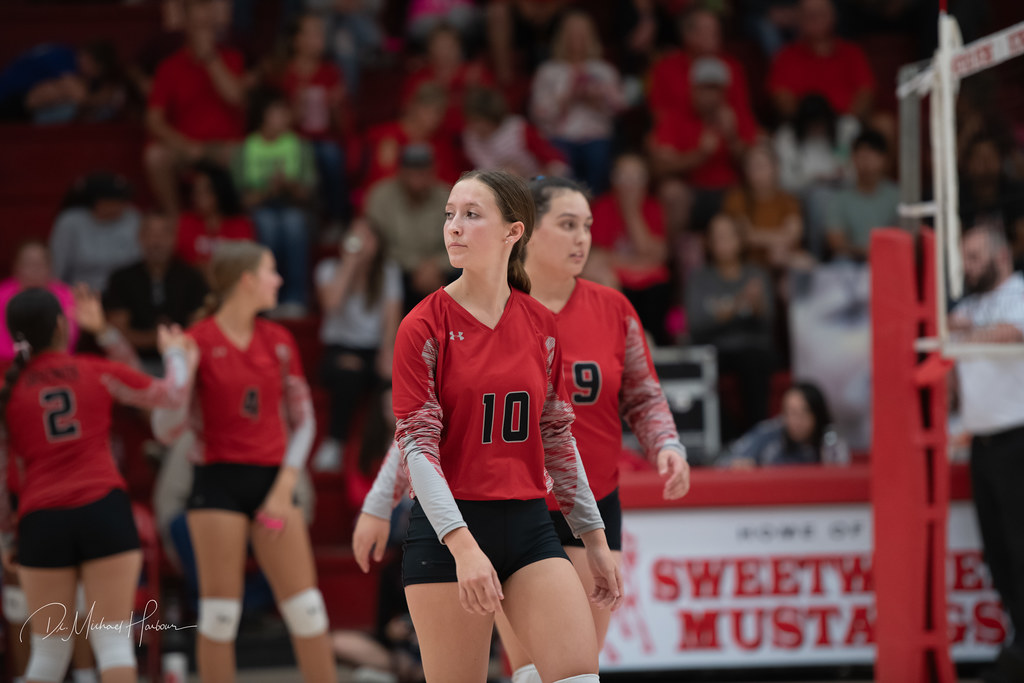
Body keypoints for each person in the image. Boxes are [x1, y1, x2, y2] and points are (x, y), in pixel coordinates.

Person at [353, 175, 689, 683]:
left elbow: (557, 434)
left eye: (471, 215)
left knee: (577, 677)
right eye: (450, 214)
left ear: (514, 232)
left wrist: (595, 538)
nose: (454, 227)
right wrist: (454, 543)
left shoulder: (543, 322)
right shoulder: (422, 325)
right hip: (452, 531)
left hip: (532, 522)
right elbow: (417, 443)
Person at [150, 240, 335, 683]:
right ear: (247, 280)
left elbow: (304, 423)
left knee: (307, 610)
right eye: (272, 271)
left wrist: (283, 488)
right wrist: (179, 367)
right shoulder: (196, 341)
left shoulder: (280, 341)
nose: (280, 280)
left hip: (273, 487)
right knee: (218, 616)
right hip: (216, 488)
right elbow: (166, 430)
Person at [0, 286, 192, 683]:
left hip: (41, 520)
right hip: (103, 510)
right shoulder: (93, 370)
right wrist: (173, 353)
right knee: (114, 644)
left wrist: (7, 535)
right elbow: (170, 396)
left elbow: (5, 474)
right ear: (60, 324)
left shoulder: (9, 391)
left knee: (49, 653)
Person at [947, 225, 1024, 683]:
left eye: (974, 257)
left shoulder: (1018, 292)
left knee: (1022, 548)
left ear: (1000, 256)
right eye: (964, 258)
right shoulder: (966, 309)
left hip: (1019, 438)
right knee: (997, 552)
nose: (967, 267)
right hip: (981, 442)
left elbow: (1013, 333)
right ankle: (1018, 643)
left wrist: (960, 332)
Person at [312, 218, 403, 472]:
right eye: (355, 237)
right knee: (347, 373)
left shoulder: (388, 272)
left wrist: (388, 352)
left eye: (368, 238)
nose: (361, 244)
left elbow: (391, 319)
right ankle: (335, 443)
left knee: (393, 380)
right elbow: (331, 304)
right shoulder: (328, 269)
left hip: (374, 348)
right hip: (338, 348)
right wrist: (350, 264)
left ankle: (393, 445)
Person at [145, 0, 246, 215]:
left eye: (207, 25)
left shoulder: (232, 58)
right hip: (187, 147)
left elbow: (236, 97)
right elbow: (154, 120)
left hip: (226, 146)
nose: (204, 31)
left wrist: (210, 58)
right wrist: (184, 145)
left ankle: (239, 221)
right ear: (186, 25)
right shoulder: (169, 66)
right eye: (198, 25)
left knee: (245, 156)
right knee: (155, 156)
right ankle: (175, 221)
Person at [686, 213, 776, 437]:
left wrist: (755, 309)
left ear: (740, 240)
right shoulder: (699, 279)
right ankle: (729, 438)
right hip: (713, 350)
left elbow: (768, 322)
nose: (723, 242)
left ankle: (757, 435)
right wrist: (739, 306)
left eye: (728, 236)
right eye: (717, 237)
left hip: (752, 348)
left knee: (755, 361)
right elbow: (696, 325)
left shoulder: (756, 274)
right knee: (697, 370)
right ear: (708, 242)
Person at [649, 56, 758, 238]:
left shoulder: (736, 116)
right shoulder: (675, 117)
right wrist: (700, 155)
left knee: (757, 186)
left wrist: (732, 138)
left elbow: (755, 163)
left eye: (716, 89)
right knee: (672, 192)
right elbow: (659, 166)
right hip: (691, 191)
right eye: (704, 88)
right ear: (693, 88)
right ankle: (670, 259)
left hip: (730, 189)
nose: (710, 96)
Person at [233, 87, 316, 317]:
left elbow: (309, 194)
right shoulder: (245, 149)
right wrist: (269, 190)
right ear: (262, 116)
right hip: (259, 208)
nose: (283, 118)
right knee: (267, 224)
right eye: (276, 113)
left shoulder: (300, 146)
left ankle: (295, 299)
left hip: (293, 206)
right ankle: (266, 298)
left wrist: (288, 185)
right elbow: (241, 199)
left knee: (293, 223)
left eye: (285, 113)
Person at [529, 11, 625, 195]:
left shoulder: (604, 70)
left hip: (597, 137)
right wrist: (567, 98)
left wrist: (597, 99)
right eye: (571, 34)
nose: (577, 39)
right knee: (558, 165)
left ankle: (594, 210)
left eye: (582, 34)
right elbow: (538, 113)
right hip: (560, 136)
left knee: (598, 158)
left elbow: (619, 108)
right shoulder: (548, 71)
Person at [103, 213, 209, 374]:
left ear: (174, 237)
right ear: (140, 237)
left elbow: (199, 330)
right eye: (150, 234)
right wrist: (162, 338)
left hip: (185, 360)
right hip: (135, 362)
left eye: (163, 234)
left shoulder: (192, 277)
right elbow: (118, 335)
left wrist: (159, 340)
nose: (157, 242)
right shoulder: (121, 279)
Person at [277, 13, 350, 232]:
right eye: (313, 33)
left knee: (330, 154)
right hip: (292, 141)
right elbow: (271, 124)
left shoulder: (331, 73)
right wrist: (293, 112)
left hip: (324, 141)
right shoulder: (283, 74)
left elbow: (344, 127)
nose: (320, 38)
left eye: (321, 33)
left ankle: (337, 221)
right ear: (296, 40)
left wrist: (336, 106)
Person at [588, 153, 672, 344]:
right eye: (624, 177)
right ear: (614, 180)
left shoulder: (652, 207)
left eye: (636, 177)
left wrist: (632, 213)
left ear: (646, 181)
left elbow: (658, 257)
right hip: (615, 281)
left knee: (659, 288)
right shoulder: (602, 207)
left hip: (648, 284)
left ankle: (651, 343)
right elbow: (597, 258)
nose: (630, 184)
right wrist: (641, 263)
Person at [364, 145, 454, 312]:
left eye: (423, 171)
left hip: (441, 271)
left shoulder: (450, 197)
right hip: (398, 270)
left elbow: (464, 242)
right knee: (387, 274)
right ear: (400, 171)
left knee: (469, 270)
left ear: (433, 171)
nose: (417, 177)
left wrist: (437, 265)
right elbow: (377, 244)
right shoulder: (380, 196)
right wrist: (417, 266)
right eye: (411, 171)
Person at [645, 6, 755, 129]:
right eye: (707, 29)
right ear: (687, 35)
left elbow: (744, 114)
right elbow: (660, 118)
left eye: (717, 29)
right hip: (682, 142)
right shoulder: (664, 69)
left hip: (730, 139)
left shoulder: (732, 66)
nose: (715, 34)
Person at [768, 0, 875, 121]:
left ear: (833, 17)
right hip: (803, 127)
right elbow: (781, 95)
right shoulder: (785, 56)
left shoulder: (852, 53)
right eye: (809, 15)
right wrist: (804, 121)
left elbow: (865, 91)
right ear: (799, 19)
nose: (815, 19)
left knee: (883, 123)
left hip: (848, 123)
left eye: (820, 14)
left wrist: (849, 120)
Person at [50, 173, 142, 294]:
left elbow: (140, 264)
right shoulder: (70, 222)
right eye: (117, 200)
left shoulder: (133, 218)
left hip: (125, 296)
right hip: (81, 294)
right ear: (98, 202)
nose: (124, 205)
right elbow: (56, 268)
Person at [721, 382, 849, 467]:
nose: (796, 421)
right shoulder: (768, 434)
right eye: (790, 413)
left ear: (817, 414)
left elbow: (839, 475)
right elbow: (727, 463)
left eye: (803, 413)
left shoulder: (830, 439)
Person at [402, 23, 494, 137]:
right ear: (429, 50)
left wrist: (475, 92)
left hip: (474, 140)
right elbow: (407, 116)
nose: (444, 52)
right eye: (439, 46)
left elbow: (494, 114)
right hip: (431, 140)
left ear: (460, 48)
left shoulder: (477, 74)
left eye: (449, 46)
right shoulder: (419, 79)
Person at [722, 144, 804, 272]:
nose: (755, 172)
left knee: (804, 262)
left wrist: (763, 238)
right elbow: (746, 235)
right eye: (751, 166)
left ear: (775, 168)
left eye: (761, 166)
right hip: (748, 265)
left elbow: (794, 234)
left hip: (783, 259)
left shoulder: (788, 200)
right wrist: (779, 238)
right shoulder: (737, 199)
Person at [825, 129, 899, 261]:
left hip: (889, 260)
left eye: (871, 155)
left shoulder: (898, 196)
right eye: (861, 155)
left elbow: (908, 237)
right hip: (851, 265)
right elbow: (836, 243)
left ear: (884, 159)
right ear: (852, 158)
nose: (866, 161)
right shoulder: (840, 199)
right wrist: (865, 251)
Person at [462, 86, 568, 179]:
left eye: (478, 121)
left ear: (491, 116)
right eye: (471, 120)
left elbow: (557, 164)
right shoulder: (470, 138)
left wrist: (535, 179)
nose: (474, 126)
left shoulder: (518, 129)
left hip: (533, 185)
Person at [0, 242, 78, 362]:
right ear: (15, 267)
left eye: (40, 264)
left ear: (50, 267)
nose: (34, 270)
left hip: (54, 364)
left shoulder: (65, 295)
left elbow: (67, 343)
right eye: (28, 264)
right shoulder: (2, 294)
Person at [175, 162, 255, 276]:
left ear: (219, 191)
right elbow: (183, 262)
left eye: (205, 191)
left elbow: (241, 264)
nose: (197, 196)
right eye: (195, 191)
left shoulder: (240, 224)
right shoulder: (186, 222)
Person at [959, 133, 1024, 267]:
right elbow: (958, 240)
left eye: (990, 156)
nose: (986, 163)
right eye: (979, 158)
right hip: (971, 267)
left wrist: (1000, 263)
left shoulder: (1014, 192)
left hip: (1011, 266)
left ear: (1001, 160)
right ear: (968, 163)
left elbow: (1021, 238)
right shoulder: (960, 196)